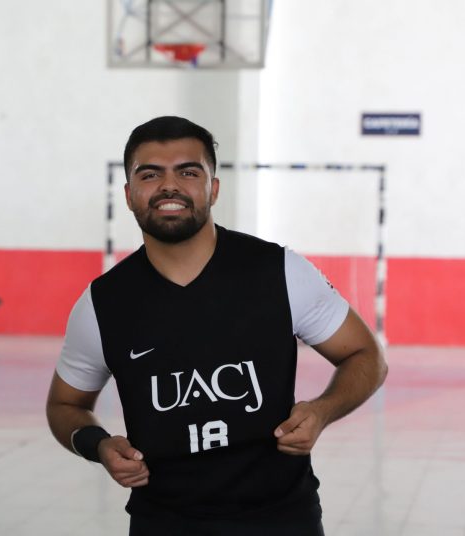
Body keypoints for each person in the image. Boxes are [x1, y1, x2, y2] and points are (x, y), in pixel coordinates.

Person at [47, 116, 388, 535]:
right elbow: (64, 405)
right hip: (163, 523)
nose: (169, 186)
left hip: (282, 519)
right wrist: (98, 445)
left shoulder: (279, 271)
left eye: (188, 172)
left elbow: (366, 355)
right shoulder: (103, 303)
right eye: (150, 174)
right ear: (129, 194)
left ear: (213, 188)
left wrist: (322, 411)